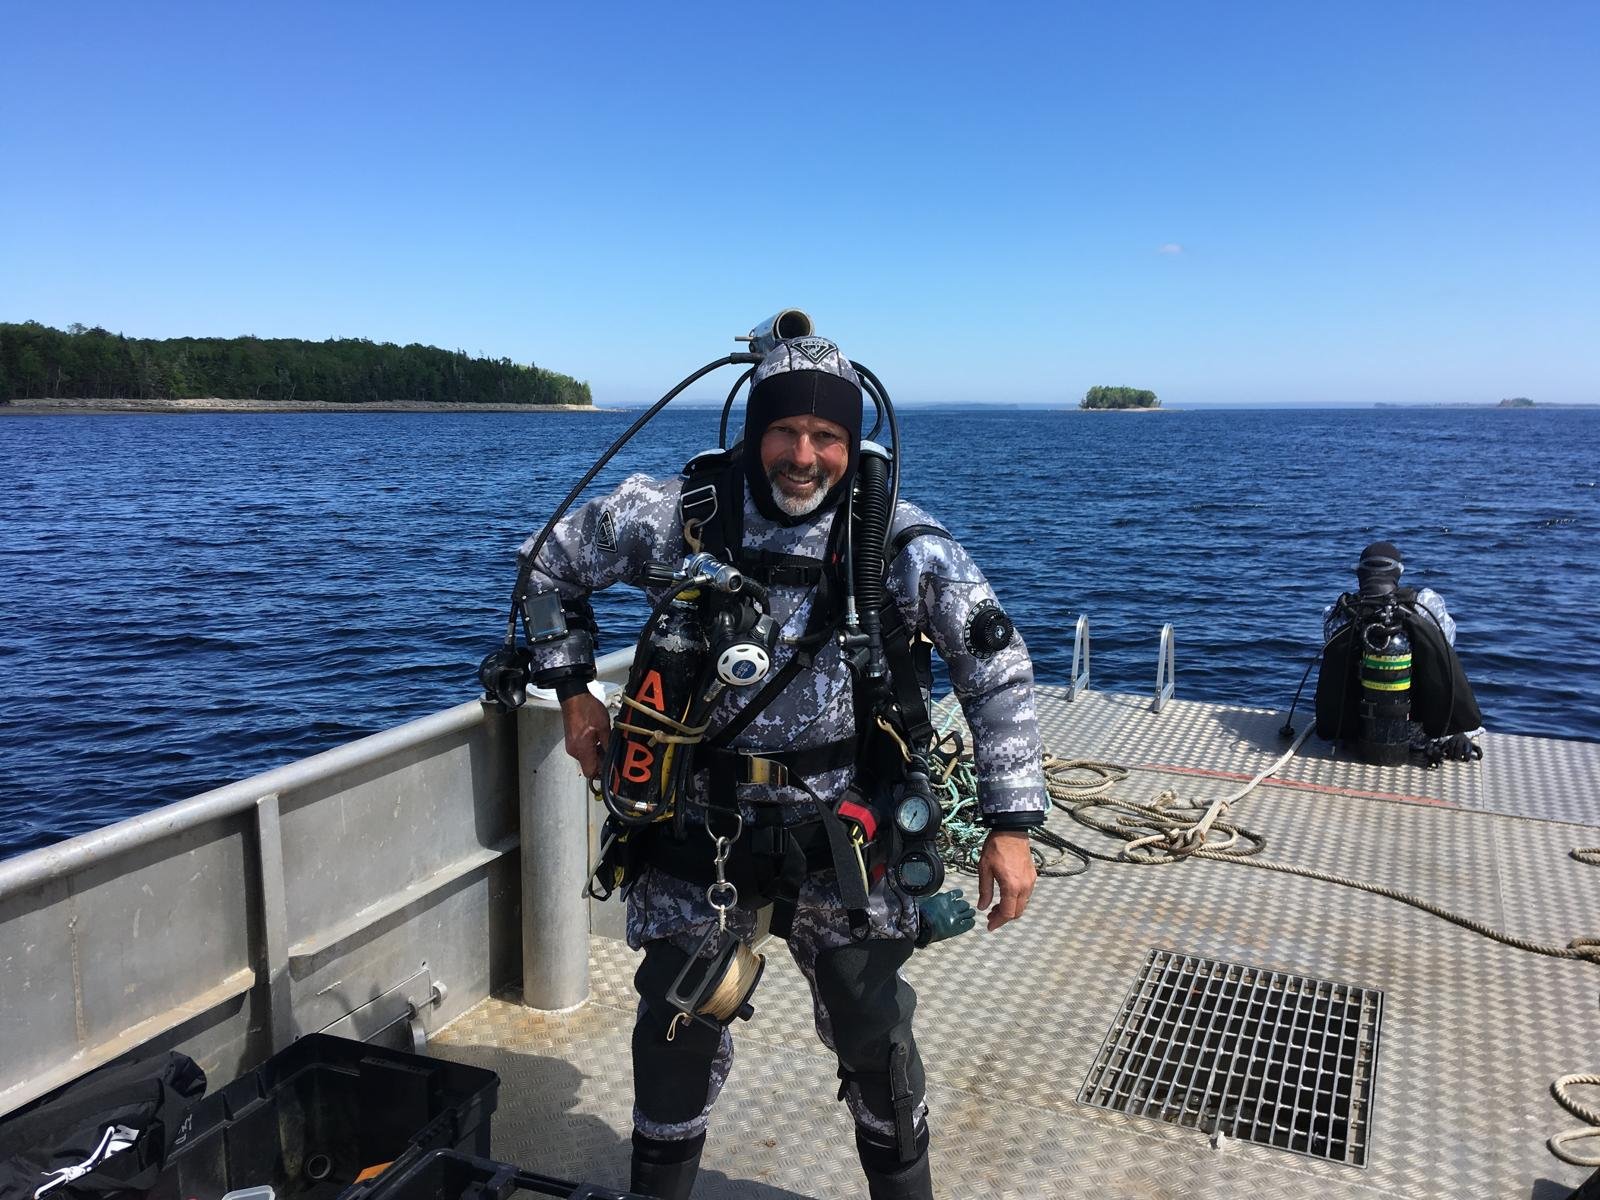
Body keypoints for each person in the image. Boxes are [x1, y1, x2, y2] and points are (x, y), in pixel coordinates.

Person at [516, 335, 1047, 1199]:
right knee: (675, 1039)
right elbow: (545, 564)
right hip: (700, 832)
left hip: (840, 837)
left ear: (853, 444)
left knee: (877, 1044)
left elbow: (996, 665)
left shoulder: (896, 541)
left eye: (827, 437)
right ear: (753, 431)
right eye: (786, 431)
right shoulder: (672, 517)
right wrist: (574, 692)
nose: (805, 456)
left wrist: (1011, 824)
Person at [1314, 540, 1483, 761]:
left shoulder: (1338, 615)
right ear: (1398, 573)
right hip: (1422, 736)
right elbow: (1445, 660)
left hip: (1356, 735)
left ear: (1360, 574)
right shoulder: (1425, 605)